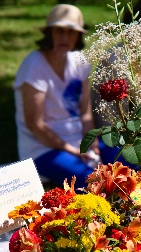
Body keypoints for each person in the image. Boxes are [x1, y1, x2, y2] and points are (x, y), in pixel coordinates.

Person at [14, 4, 103, 186]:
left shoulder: (80, 61)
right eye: (59, 31)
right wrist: (73, 150)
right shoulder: (34, 65)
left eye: (71, 32)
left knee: (125, 164)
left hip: (78, 142)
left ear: (78, 36)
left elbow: (85, 114)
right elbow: (35, 124)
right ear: (49, 33)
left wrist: (91, 142)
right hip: (42, 148)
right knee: (92, 182)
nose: (64, 37)